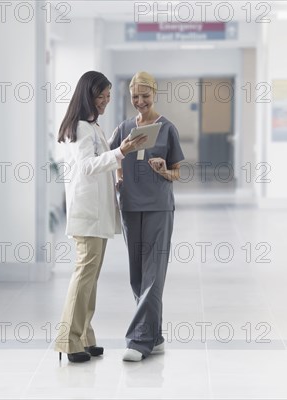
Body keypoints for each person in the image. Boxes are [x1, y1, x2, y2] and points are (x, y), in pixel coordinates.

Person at [55, 71, 147, 363]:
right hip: (87, 215)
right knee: (84, 276)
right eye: (101, 96)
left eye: (108, 96)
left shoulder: (91, 126)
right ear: (88, 96)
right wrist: (121, 151)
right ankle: (68, 341)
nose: (106, 101)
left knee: (90, 278)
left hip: (96, 213)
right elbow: (86, 167)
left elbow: (98, 163)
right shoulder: (81, 128)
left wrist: (116, 165)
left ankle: (84, 336)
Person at [108, 71, 185, 362]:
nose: (140, 101)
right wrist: (118, 180)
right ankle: (156, 337)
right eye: (135, 97)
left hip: (158, 207)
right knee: (138, 277)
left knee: (154, 276)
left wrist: (164, 170)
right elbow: (114, 158)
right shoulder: (124, 128)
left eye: (145, 96)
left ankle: (139, 340)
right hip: (130, 207)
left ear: (155, 93)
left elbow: (177, 172)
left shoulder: (168, 129)